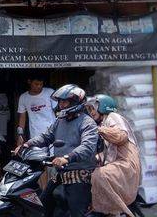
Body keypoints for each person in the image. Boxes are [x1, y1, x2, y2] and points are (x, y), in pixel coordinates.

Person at [14, 84, 98, 217]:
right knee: (44, 205)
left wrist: (67, 157)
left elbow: (87, 146)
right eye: (60, 101)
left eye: (65, 101)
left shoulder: (87, 123)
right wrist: (27, 144)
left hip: (79, 174)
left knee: (77, 212)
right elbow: (46, 136)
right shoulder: (60, 121)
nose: (61, 105)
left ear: (75, 102)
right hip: (60, 172)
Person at [86, 94, 141, 217]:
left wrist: (99, 130)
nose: (91, 112)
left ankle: (108, 211)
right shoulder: (103, 124)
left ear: (103, 107)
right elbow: (107, 152)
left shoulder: (113, 117)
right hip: (118, 163)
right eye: (89, 109)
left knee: (100, 175)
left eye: (93, 108)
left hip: (126, 163)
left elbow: (120, 136)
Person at [16, 76, 57, 147]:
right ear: (29, 82)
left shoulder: (50, 92)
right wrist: (20, 135)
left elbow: (57, 111)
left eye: (41, 84)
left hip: (52, 133)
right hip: (35, 134)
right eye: (36, 84)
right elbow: (22, 117)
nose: (39, 86)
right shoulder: (24, 97)